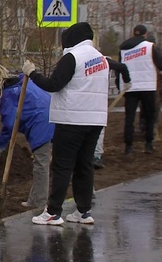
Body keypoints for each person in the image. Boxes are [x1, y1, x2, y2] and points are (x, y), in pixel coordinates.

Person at [22, 22, 131, 225]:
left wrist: (32, 73)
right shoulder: (101, 58)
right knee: (84, 165)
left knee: (62, 166)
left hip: (71, 120)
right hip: (95, 121)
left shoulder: (72, 57)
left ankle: (53, 212)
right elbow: (120, 67)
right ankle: (83, 211)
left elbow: (53, 85)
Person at [0, 63, 54, 208]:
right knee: (60, 161)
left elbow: (9, 124)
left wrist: (0, 146)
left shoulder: (8, 95)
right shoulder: (23, 81)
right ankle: (34, 200)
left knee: (41, 165)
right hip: (55, 117)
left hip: (42, 124)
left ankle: (39, 205)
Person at [118, 24, 162, 154]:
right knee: (149, 115)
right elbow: (160, 63)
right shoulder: (150, 47)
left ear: (133, 33)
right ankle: (148, 144)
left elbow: (120, 68)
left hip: (130, 87)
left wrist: (121, 85)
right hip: (148, 86)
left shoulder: (123, 48)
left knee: (129, 118)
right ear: (145, 34)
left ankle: (128, 147)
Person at [93, 57, 131, 169]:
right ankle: (96, 156)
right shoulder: (103, 60)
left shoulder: (76, 60)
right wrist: (127, 81)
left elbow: (122, 67)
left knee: (95, 129)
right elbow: (122, 67)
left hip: (89, 100)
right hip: (98, 100)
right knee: (98, 129)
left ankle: (95, 156)